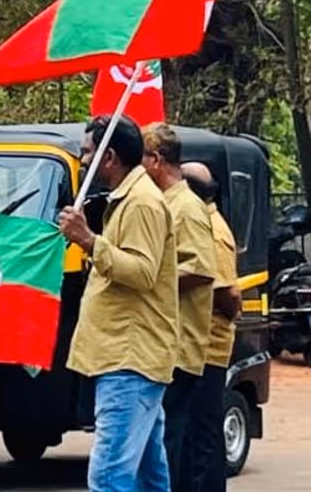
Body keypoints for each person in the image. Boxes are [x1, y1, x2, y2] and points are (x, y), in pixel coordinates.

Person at [57, 115, 176, 492]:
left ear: (108, 157)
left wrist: (89, 241)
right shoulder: (128, 199)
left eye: (87, 152)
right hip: (126, 357)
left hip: (129, 360)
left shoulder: (141, 203)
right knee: (148, 475)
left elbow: (142, 272)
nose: (83, 160)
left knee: (109, 476)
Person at [142, 123, 218, 491]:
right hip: (160, 342)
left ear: (156, 160)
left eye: (140, 159)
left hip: (178, 345)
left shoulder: (185, 207)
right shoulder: (162, 203)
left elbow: (201, 269)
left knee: (168, 442)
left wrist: (147, 281)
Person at [182, 161, 241, 492]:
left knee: (202, 434)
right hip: (197, 343)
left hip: (207, 345)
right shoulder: (201, 223)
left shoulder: (212, 231)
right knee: (194, 433)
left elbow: (227, 293)